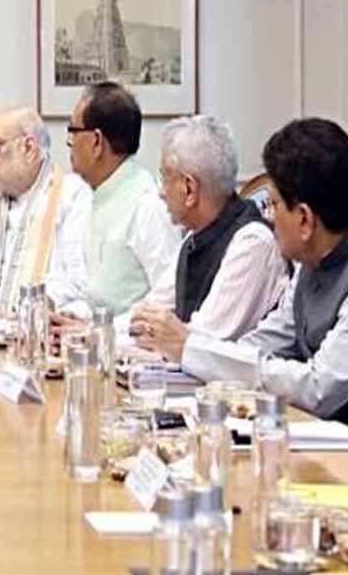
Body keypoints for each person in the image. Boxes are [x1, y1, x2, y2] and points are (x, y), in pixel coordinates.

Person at [182, 118, 348, 420]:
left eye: (273, 204)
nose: (268, 218)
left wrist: (196, 350)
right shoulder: (308, 263)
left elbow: (319, 388)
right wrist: (206, 358)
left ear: (304, 219)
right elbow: (267, 340)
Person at [128, 116, 287, 360]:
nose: (161, 192)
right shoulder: (194, 238)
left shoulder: (253, 243)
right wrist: (93, 328)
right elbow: (147, 314)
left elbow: (199, 343)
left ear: (189, 188)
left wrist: (162, 335)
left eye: (165, 178)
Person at [64, 82, 180, 316]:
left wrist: (102, 328)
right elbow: (96, 292)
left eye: (73, 131)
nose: (69, 142)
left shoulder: (147, 203)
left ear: (96, 141)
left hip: (129, 337)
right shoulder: (93, 193)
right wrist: (72, 315)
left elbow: (171, 302)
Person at [0, 106, 90, 313]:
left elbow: (78, 284)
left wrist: (26, 312)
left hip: (45, 325)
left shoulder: (72, 196)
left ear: (29, 148)